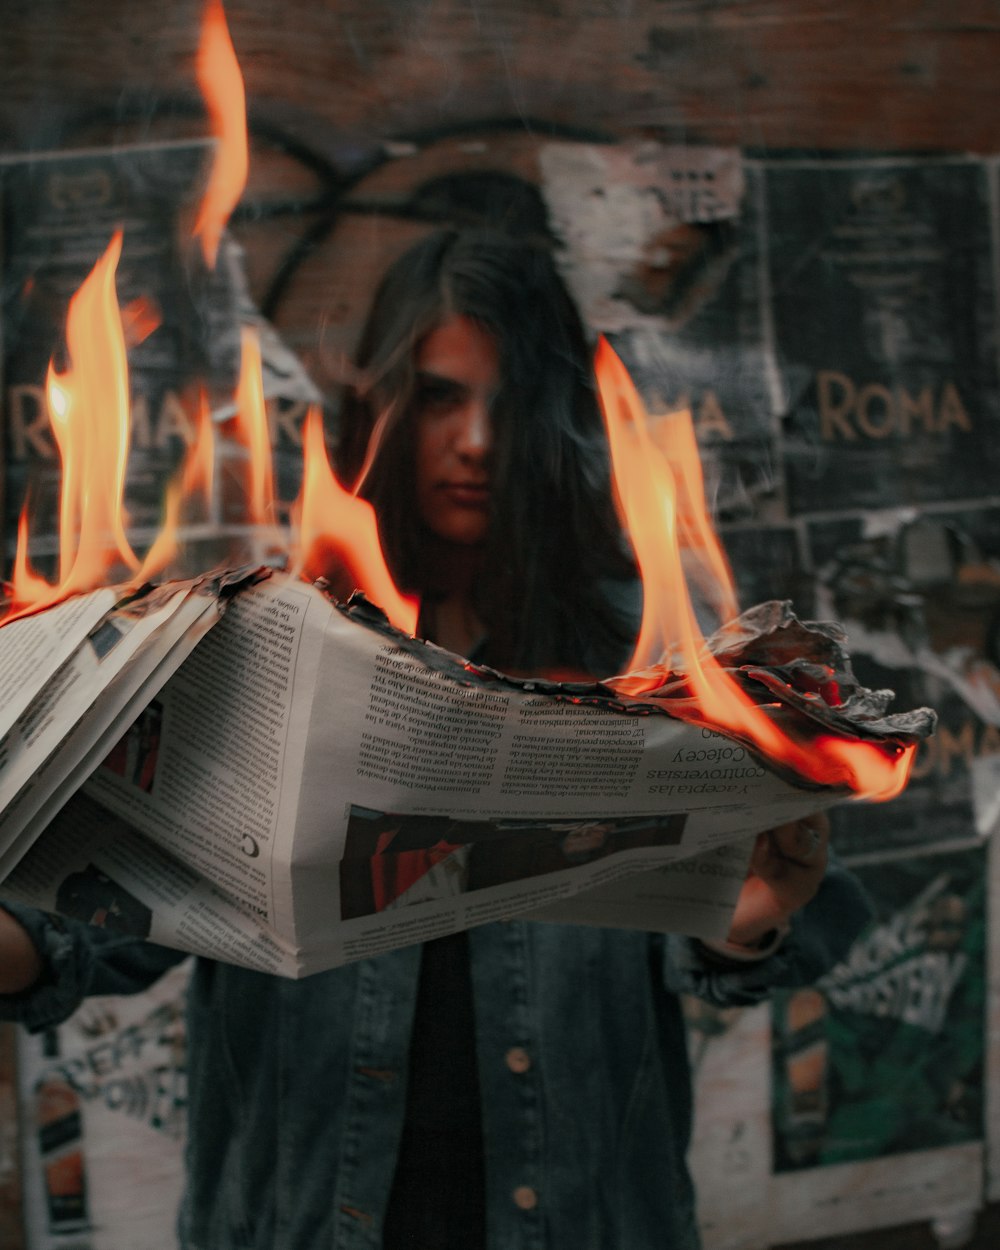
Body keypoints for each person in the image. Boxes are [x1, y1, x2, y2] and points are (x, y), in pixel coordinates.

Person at [0, 227, 870, 1250]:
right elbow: (87, 929)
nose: (477, 442)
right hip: (302, 1216)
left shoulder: (648, 650)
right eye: (441, 397)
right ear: (380, 409)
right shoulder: (259, 649)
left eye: (507, 404)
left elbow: (792, 926)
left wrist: (748, 917)